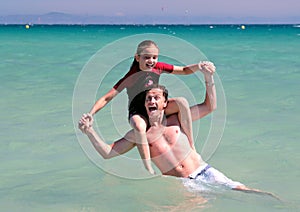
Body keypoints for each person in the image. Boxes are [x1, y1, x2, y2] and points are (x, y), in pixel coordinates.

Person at [78, 62, 280, 199]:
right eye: (148, 99)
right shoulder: (139, 136)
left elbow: (209, 106)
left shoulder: (177, 120)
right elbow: (107, 153)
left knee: (243, 192)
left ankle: (275, 200)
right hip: (183, 184)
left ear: (166, 103)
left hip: (205, 171)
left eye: (156, 97)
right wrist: (90, 132)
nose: (152, 100)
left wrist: (208, 78)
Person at [81, 40, 208, 175]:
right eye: (147, 57)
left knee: (182, 102)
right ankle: (147, 165)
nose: (151, 60)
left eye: (154, 57)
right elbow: (107, 98)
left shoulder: (159, 67)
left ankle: (192, 145)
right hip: (138, 112)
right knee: (140, 127)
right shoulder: (131, 76)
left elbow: (184, 70)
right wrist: (91, 113)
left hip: (154, 106)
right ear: (137, 57)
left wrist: (199, 66)